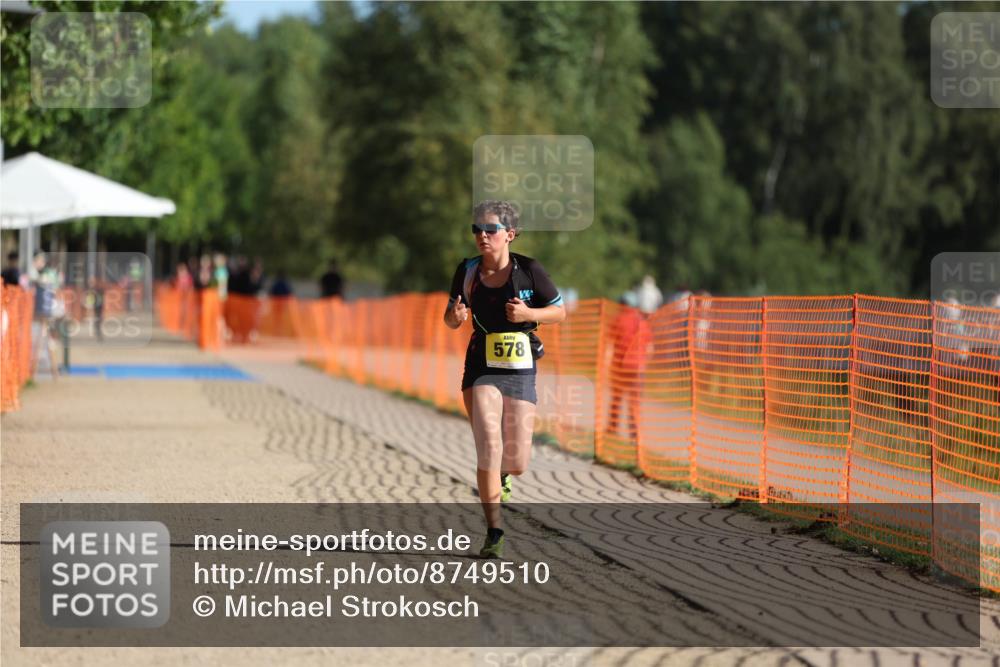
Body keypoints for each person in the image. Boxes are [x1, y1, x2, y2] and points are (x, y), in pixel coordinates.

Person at [444, 200, 566, 558]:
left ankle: (503, 476)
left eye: (491, 229)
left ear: (510, 234)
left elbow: (559, 312)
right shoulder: (467, 270)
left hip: (520, 369)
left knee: (516, 462)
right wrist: (454, 316)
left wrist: (528, 313)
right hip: (481, 366)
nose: (482, 235)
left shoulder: (529, 270)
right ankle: (494, 531)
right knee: (489, 448)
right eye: (477, 229)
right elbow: (450, 319)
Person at [607, 292, 652, 444]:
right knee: (635, 403)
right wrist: (643, 363)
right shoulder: (643, 322)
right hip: (638, 368)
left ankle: (612, 429)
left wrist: (606, 363)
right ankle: (634, 435)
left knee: (617, 399)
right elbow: (650, 348)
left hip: (620, 366)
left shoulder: (618, 319)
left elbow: (610, 345)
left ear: (622, 304)